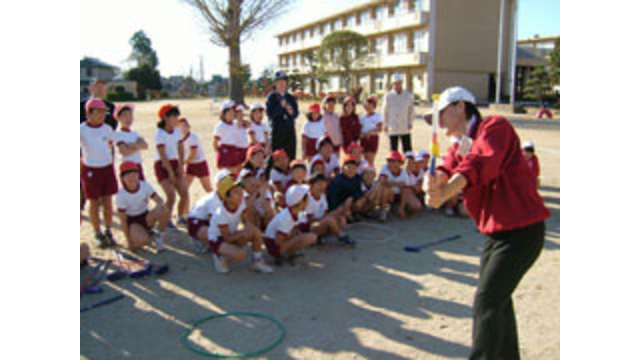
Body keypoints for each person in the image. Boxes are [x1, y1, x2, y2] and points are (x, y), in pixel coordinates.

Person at [424, 86, 551, 360]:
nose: (440, 123)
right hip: (496, 235)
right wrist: (434, 181)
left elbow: (481, 162)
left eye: (442, 114)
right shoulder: (462, 143)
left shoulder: (495, 126)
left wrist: (446, 192)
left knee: (487, 302)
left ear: (461, 107)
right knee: (498, 302)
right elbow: (450, 163)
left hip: (523, 232)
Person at [208, 175, 274, 274]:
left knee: (255, 232)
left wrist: (252, 230)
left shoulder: (241, 202)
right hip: (218, 239)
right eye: (236, 192)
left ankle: (257, 261)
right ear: (226, 197)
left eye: (240, 191)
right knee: (241, 255)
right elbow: (226, 238)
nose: (240, 194)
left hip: (231, 234)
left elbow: (245, 220)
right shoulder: (221, 213)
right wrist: (243, 233)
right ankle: (220, 257)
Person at [80, 98, 118, 248]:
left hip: (107, 169)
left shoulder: (107, 128)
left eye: (104, 112)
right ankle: (97, 233)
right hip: (90, 170)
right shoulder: (81, 129)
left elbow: (112, 145)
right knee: (94, 203)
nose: (102, 115)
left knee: (108, 203)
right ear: (89, 113)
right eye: (99, 112)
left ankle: (108, 231)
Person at [80, 79, 117, 213]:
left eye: (102, 86)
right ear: (90, 88)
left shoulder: (111, 107)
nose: (100, 89)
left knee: (104, 192)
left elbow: (112, 129)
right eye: (97, 86)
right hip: (85, 153)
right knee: (82, 185)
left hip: (105, 150)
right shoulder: (80, 106)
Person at [116, 162, 170, 252]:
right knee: (141, 241)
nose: (131, 177)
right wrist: (129, 241)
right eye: (127, 175)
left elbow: (158, 199)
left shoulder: (144, 185)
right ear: (122, 178)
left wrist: (160, 205)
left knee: (165, 209)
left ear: (138, 175)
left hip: (146, 216)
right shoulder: (121, 195)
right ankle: (152, 239)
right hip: (133, 222)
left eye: (134, 174)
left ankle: (159, 235)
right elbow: (123, 220)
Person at [264, 185, 318, 266]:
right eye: (307, 197)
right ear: (300, 201)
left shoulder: (294, 212)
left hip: (276, 242)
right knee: (308, 237)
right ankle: (281, 255)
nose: (309, 199)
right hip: (274, 246)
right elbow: (278, 241)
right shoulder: (286, 217)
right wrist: (293, 236)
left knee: (303, 235)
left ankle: (289, 254)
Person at [154, 104, 189, 227]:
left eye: (177, 116)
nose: (176, 119)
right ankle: (166, 219)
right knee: (171, 195)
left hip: (174, 163)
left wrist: (180, 165)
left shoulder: (177, 132)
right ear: (165, 117)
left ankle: (180, 217)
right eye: (173, 116)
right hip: (162, 165)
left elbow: (180, 148)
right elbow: (162, 155)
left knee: (184, 193)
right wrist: (170, 172)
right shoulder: (159, 133)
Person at [326, 155, 371, 236]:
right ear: (343, 168)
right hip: (338, 205)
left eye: (354, 168)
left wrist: (351, 198)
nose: (351, 170)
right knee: (342, 220)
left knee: (362, 201)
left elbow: (359, 191)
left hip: (350, 203)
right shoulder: (337, 181)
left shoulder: (357, 178)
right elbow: (333, 198)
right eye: (349, 167)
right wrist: (342, 207)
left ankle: (355, 214)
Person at [302, 173, 350, 244]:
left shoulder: (323, 196)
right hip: (310, 226)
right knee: (329, 220)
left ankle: (323, 236)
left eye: (323, 184)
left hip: (322, 221)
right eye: (319, 184)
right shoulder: (308, 198)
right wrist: (326, 219)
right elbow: (310, 220)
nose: (321, 187)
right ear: (311, 185)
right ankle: (341, 236)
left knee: (342, 219)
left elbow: (325, 212)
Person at [266, 71, 299, 160]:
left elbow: (295, 114)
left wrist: (290, 111)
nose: (281, 84)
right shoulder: (271, 97)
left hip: (289, 131)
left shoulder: (291, 98)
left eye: (284, 82)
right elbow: (270, 113)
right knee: (276, 158)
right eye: (279, 82)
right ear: (275, 83)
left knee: (290, 157)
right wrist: (281, 107)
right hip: (277, 131)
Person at [379, 150, 421, 219]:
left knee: (416, 206)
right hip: (389, 194)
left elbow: (406, 189)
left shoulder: (404, 173)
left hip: (399, 195)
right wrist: (397, 184)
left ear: (400, 163)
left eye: (395, 161)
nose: (392, 164)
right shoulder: (385, 168)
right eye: (390, 161)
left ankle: (399, 208)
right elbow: (381, 181)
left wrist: (402, 207)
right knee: (385, 189)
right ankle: (383, 210)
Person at [178, 118, 213, 195]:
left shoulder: (193, 137)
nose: (183, 128)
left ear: (188, 126)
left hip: (199, 164)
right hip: (190, 165)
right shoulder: (179, 138)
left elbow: (193, 154)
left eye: (185, 126)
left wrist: (183, 163)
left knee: (208, 188)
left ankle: (219, 202)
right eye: (180, 127)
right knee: (184, 188)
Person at [383, 73, 415, 153]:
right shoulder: (388, 96)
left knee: (407, 149)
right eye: (395, 83)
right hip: (392, 126)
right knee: (393, 150)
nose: (397, 85)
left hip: (404, 126)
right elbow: (385, 111)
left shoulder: (408, 95)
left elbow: (411, 111)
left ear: (402, 83)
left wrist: (410, 122)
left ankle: (409, 163)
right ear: (392, 84)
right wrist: (385, 124)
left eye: (399, 83)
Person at [113, 104, 148, 179]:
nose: (128, 119)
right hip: (127, 166)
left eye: (130, 115)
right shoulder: (118, 134)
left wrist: (132, 146)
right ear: (118, 118)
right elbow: (124, 152)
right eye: (125, 116)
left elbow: (145, 145)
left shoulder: (134, 133)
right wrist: (137, 146)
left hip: (138, 164)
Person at [213, 100, 244, 173]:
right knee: (225, 173)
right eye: (229, 112)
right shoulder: (220, 126)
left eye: (233, 111)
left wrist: (240, 112)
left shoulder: (234, 124)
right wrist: (220, 152)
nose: (232, 113)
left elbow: (241, 122)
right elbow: (215, 142)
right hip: (224, 150)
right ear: (224, 113)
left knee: (236, 171)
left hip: (234, 149)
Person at [359, 96, 383, 166]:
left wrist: (371, 132)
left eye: (371, 105)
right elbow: (359, 128)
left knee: (370, 159)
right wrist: (362, 134)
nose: (368, 107)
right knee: (364, 158)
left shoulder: (377, 116)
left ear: (374, 106)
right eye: (367, 105)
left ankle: (371, 173)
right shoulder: (362, 117)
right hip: (363, 139)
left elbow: (380, 128)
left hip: (372, 139)